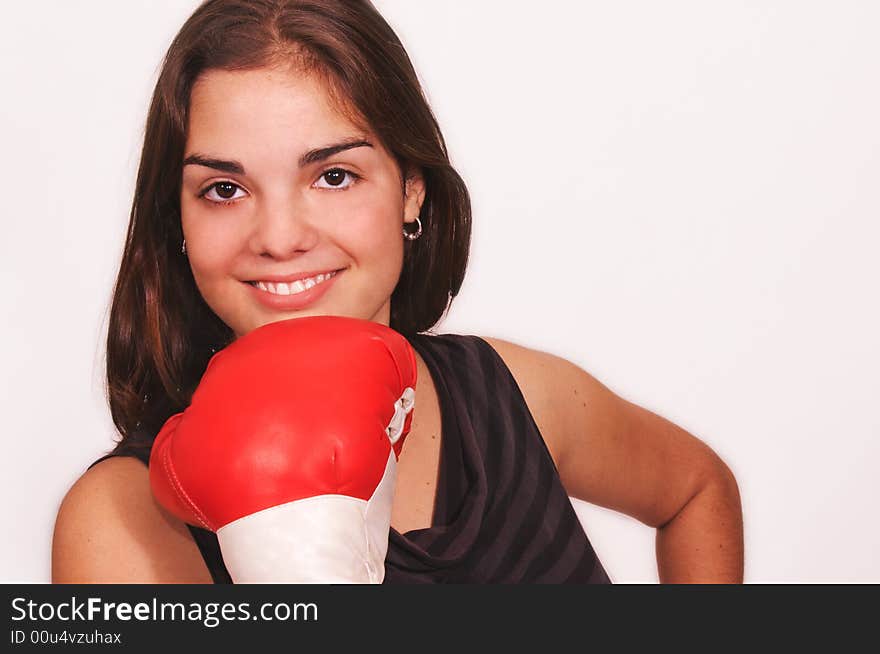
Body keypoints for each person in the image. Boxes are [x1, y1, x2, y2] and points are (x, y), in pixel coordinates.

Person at [51, 0, 743, 584]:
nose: (280, 237)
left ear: (410, 189)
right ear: (177, 219)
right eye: (224, 190)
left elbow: (696, 491)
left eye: (333, 176)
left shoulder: (514, 397)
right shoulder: (122, 525)